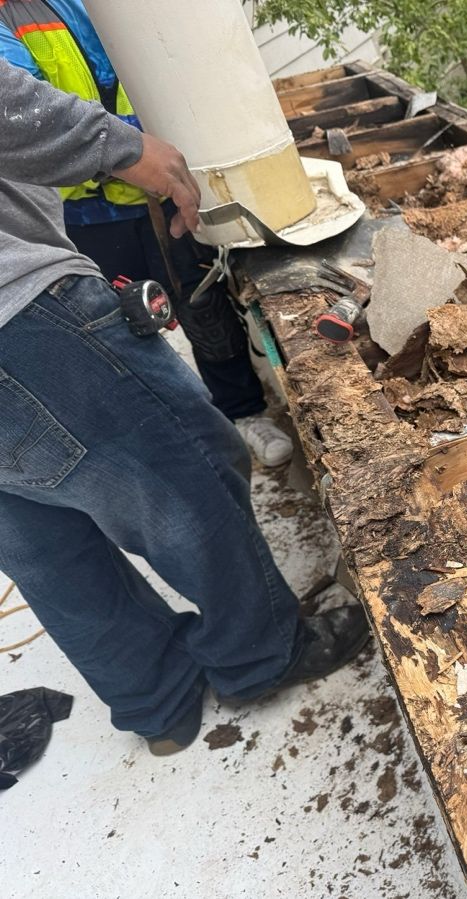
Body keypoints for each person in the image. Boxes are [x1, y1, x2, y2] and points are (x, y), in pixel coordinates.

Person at [0, 58, 371, 756]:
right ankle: (260, 655)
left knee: (43, 540)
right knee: (188, 463)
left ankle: (156, 702)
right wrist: (128, 148)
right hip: (18, 319)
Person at [0, 0, 294, 467]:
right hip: (88, 217)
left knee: (205, 309)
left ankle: (244, 413)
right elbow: (28, 121)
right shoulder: (9, 17)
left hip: (171, 197)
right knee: (122, 328)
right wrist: (127, 151)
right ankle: (166, 433)